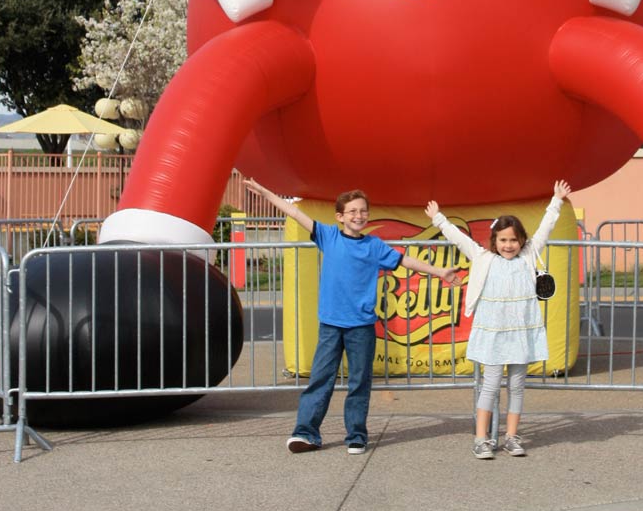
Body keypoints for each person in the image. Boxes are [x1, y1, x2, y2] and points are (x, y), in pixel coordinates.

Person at [244, 177, 461, 455]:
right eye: (352, 211)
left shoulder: (374, 246)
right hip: (331, 326)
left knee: (360, 381)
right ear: (340, 217)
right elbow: (295, 213)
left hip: (362, 327)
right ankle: (306, 433)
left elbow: (406, 261)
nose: (358, 215)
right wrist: (265, 192)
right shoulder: (328, 236)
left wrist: (440, 271)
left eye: (363, 211)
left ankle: (356, 435)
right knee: (321, 379)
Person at [425, 181, 574, 459]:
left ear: (522, 241)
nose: (508, 245)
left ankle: (511, 436)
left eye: (514, 240)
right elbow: (458, 238)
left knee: (517, 385)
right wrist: (438, 218)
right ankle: (481, 438)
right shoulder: (482, 258)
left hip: (521, 332)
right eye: (503, 240)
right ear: (494, 241)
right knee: (491, 384)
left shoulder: (529, 255)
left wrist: (556, 202)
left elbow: (545, 229)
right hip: (493, 332)